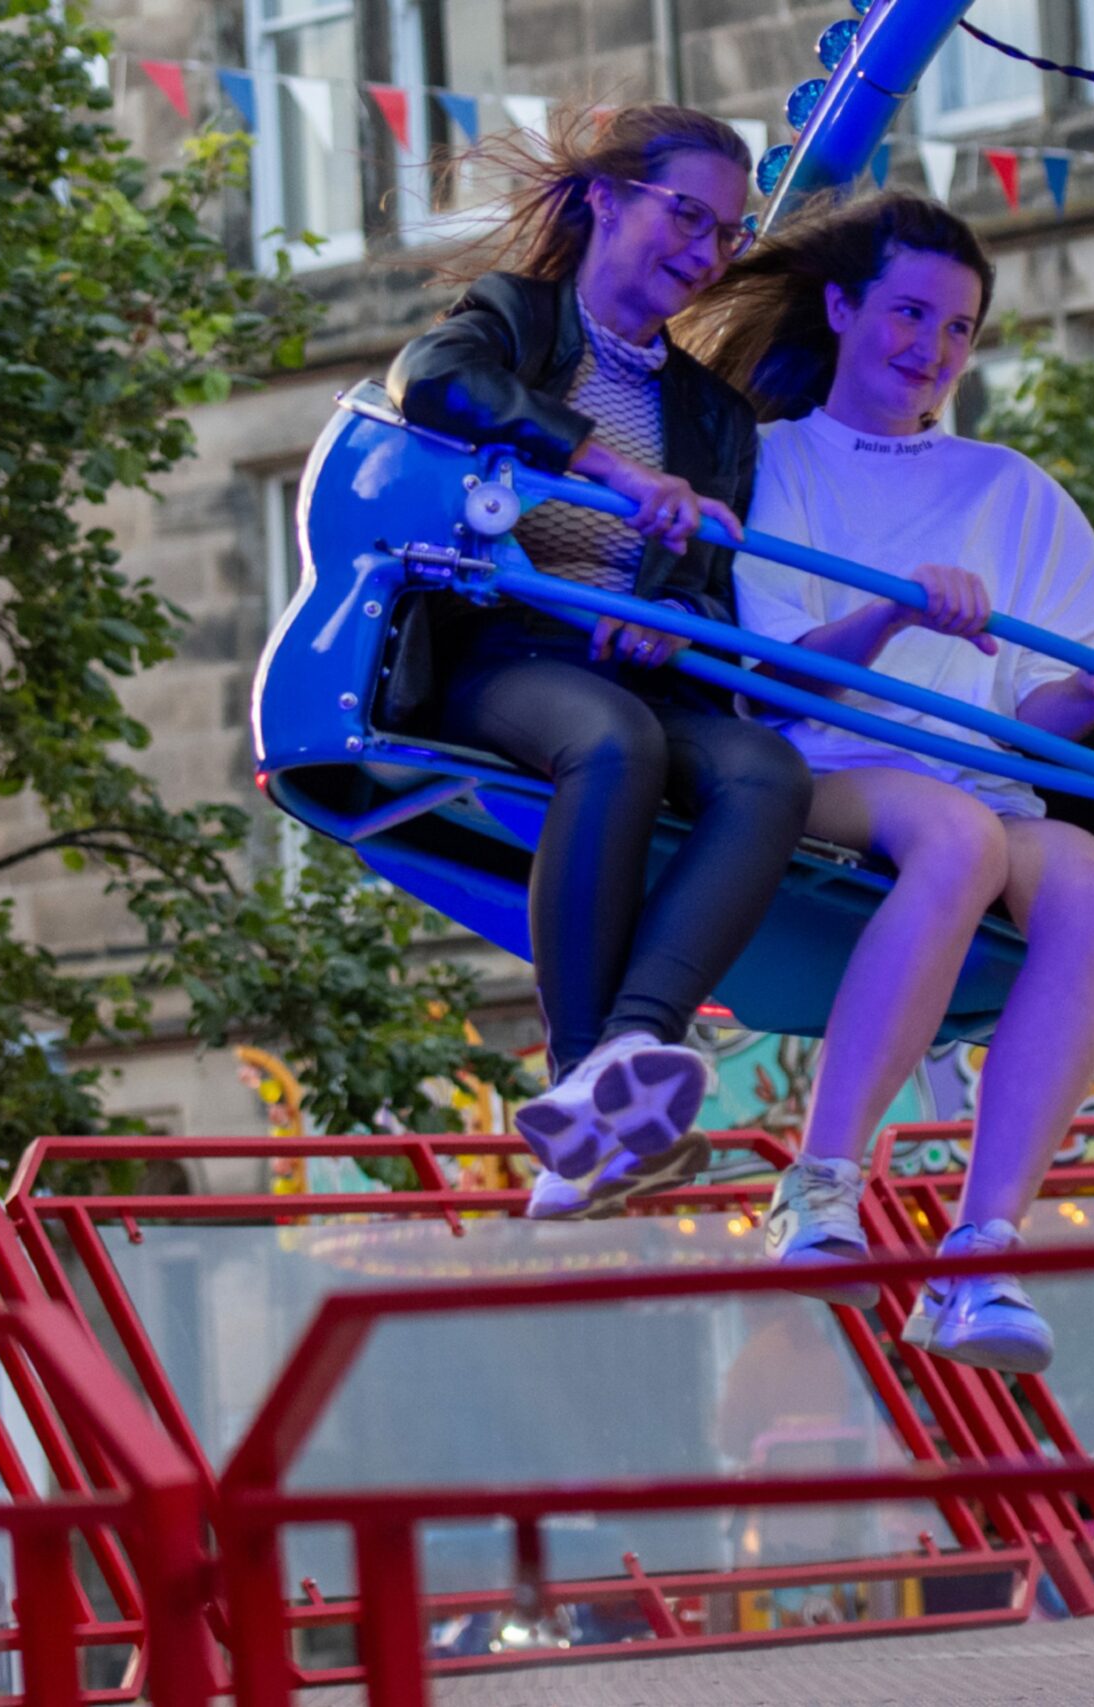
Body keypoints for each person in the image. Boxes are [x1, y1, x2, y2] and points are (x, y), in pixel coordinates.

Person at [683, 194, 1094, 1372]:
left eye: (957, 330)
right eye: (907, 314)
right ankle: (821, 1183)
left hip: (975, 779)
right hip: (829, 762)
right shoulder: (778, 462)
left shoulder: (1011, 491)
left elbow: (1030, 717)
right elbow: (782, 682)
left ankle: (982, 1253)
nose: (931, 349)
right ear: (843, 309)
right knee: (956, 839)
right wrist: (892, 610)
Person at [385, 105, 812, 1219]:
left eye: (724, 235)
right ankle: (579, 1075)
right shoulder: (514, 323)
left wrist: (669, 614)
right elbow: (432, 381)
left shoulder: (712, 414)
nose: (704, 252)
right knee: (609, 745)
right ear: (603, 201)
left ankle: (632, 1051)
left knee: (765, 773)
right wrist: (608, 472)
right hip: (508, 648)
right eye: (686, 216)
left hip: (635, 666)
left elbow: (705, 561)